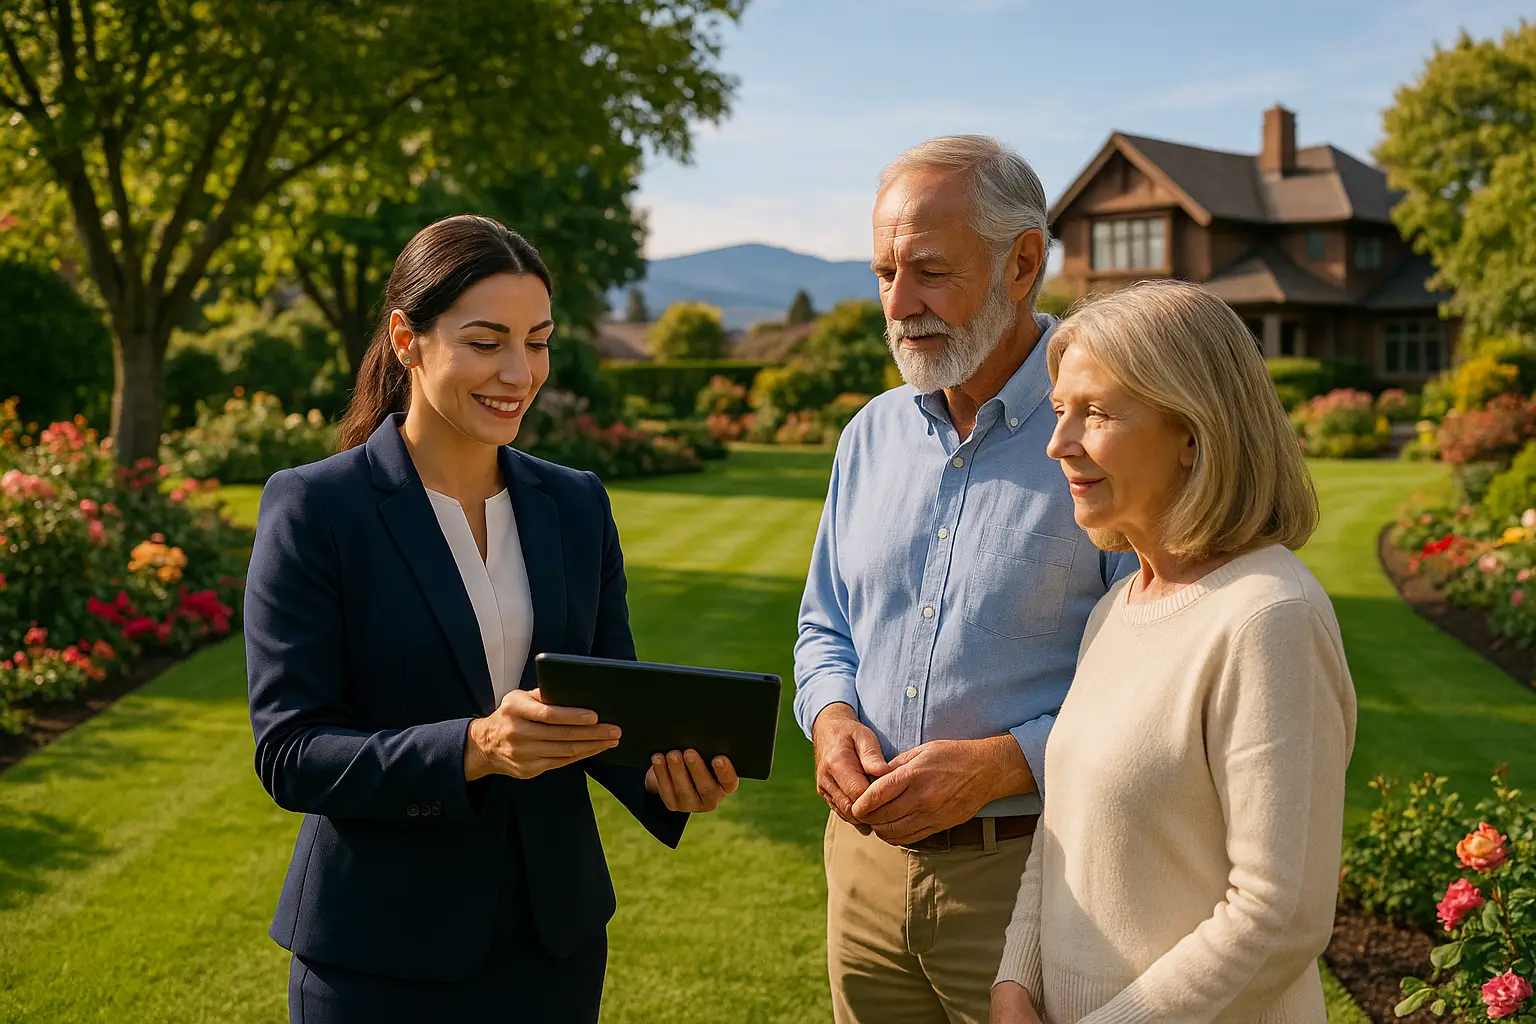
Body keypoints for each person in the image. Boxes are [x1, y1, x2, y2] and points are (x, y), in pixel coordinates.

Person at [245, 214, 739, 1023]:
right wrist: (474, 749)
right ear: (407, 339)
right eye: (487, 341)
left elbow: (605, 706)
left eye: (537, 341)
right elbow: (291, 752)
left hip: (554, 947)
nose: (520, 371)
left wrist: (664, 780)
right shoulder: (316, 508)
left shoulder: (575, 504)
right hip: (378, 954)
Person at [792, 135, 1137, 1024]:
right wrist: (830, 720)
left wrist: (1000, 765)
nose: (898, 305)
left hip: (1038, 877)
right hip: (860, 874)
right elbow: (825, 627)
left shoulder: (1110, 431)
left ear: (1024, 262)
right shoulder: (867, 435)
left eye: (930, 272)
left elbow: (1155, 684)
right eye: (883, 273)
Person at [991, 279, 1356, 1024]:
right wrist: (1014, 983)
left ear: (1194, 431)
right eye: (1060, 411)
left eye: (1094, 413)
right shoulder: (1118, 609)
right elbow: (1064, 829)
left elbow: (1279, 916)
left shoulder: (1267, 616)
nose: (1058, 443)